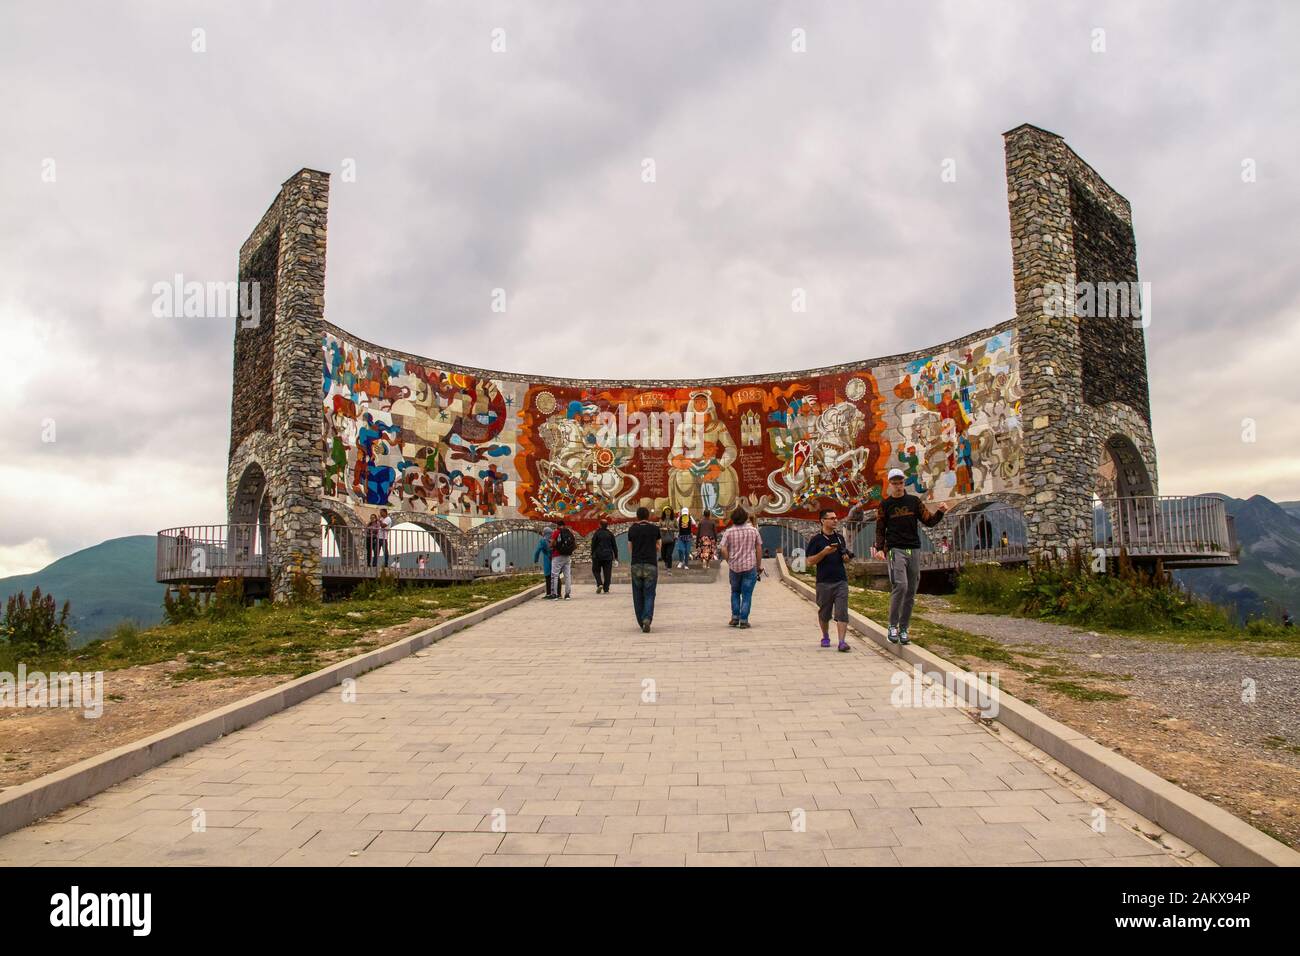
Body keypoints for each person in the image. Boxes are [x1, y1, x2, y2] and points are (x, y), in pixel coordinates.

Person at [873, 467, 949, 645]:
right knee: (901, 585)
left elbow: (929, 521)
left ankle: (904, 628)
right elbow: (880, 527)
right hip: (895, 549)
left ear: (903, 483)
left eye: (900, 483)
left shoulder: (914, 501)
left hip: (913, 548)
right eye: (895, 483)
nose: (898, 486)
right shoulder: (885, 505)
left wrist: (940, 512)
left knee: (911, 591)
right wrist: (879, 548)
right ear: (890, 484)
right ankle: (892, 625)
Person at [807, 508, 854, 652]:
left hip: (841, 580)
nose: (835, 520)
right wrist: (823, 552)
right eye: (831, 518)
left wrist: (846, 559)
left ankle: (842, 642)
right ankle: (825, 636)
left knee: (842, 612)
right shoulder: (816, 540)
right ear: (823, 521)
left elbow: (844, 558)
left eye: (836, 518)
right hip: (823, 582)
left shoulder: (839, 538)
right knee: (824, 613)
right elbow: (810, 561)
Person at [718, 506, 763, 629]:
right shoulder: (753, 531)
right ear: (745, 518)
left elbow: (723, 548)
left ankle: (735, 617)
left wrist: (729, 560)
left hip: (734, 567)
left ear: (733, 519)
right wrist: (758, 565)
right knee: (747, 594)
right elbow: (759, 548)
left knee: (735, 592)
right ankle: (744, 619)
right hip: (750, 567)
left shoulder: (728, 532)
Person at [627, 506, 661, 632]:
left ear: (637, 516)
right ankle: (647, 618)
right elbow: (658, 547)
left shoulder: (632, 529)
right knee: (650, 593)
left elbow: (630, 547)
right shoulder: (654, 529)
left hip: (636, 564)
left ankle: (641, 621)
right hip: (651, 564)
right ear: (648, 516)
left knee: (637, 594)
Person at [549, 518, 576, 600]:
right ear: (564, 525)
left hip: (557, 556)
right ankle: (567, 594)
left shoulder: (556, 532)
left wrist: (551, 546)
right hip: (567, 557)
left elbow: (552, 543)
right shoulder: (569, 532)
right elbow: (575, 545)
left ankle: (555, 594)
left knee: (555, 575)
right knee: (567, 576)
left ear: (558, 525)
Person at [590, 518, 617, 593]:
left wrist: (592, 553)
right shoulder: (610, 534)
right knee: (607, 573)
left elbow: (593, 545)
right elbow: (614, 546)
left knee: (595, 570)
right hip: (608, 556)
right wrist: (616, 557)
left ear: (600, 525)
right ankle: (606, 589)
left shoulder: (597, 533)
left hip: (598, 556)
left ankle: (599, 584)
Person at [533, 532, 554, 598]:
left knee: (548, 577)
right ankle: (556, 593)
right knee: (555, 577)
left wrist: (536, 559)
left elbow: (537, 550)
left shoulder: (543, 540)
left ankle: (548, 594)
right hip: (554, 560)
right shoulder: (552, 540)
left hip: (547, 560)